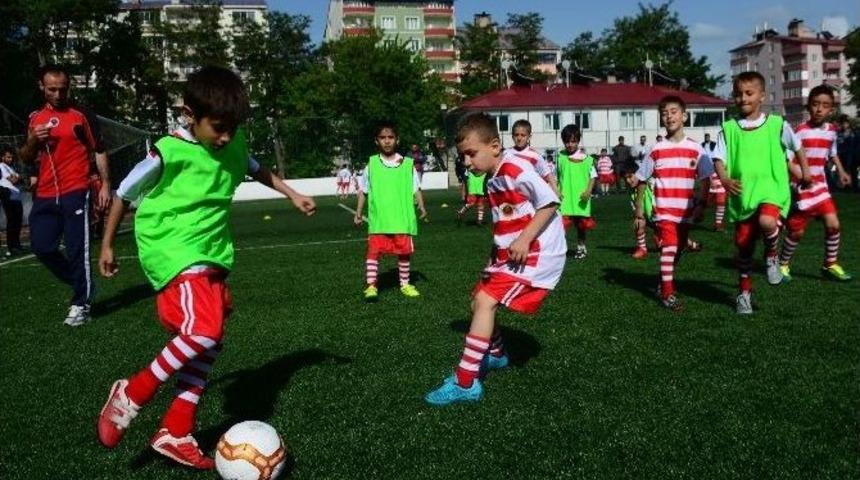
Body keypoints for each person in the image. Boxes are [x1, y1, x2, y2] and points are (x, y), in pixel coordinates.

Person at [95, 66, 316, 470]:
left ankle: (175, 431)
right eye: (218, 127)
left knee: (209, 342)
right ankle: (132, 394)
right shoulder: (168, 150)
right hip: (173, 247)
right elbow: (124, 193)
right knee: (203, 330)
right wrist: (108, 244)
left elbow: (254, 167)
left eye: (232, 127)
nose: (226, 137)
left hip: (212, 250)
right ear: (188, 115)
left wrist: (292, 193)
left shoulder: (232, 142)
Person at [425, 113, 565, 406]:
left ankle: (466, 383)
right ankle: (498, 354)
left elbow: (550, 201)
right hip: (513, 254)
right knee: (478, 300)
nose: (466, 162)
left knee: (487, 301)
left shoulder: (515, 168)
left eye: (471, 154)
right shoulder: (492, 179)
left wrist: (525, 239)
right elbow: (505, 222)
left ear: (495, 146)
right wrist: (495, 256)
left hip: (539, 253)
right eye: (463, 156)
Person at [17, 64, 111, 326]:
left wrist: (105, 184)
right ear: (41, 87)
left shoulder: (81, 114)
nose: (58, 95)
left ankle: (81, 304)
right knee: (42, 246)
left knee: (76, 249)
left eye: (63, 89)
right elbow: (25, 157)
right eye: (52, 90)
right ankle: (85, 284)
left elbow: (100, 149)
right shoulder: (34, 117)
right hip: (45, 193)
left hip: (76, 190)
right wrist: (34, 139)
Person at [711, 71, 811, 314]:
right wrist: (724, 179)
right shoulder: (729, 128)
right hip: (743, 195)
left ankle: (771, 256)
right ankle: (744, 293)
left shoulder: (778, 124)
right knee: (743, 246)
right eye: (737, 94)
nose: (742, 98)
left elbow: (797, 147)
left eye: (748, 93)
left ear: (761, 96)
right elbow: (718, 158)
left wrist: (805, 173)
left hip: (771, 190)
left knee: (768, 221)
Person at [633, 96, 712, 311]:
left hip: (685, 211)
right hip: (664, 210)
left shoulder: (697, 149)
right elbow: (642, 178)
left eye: (673, 111)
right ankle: (668, 293)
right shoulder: (656, 149)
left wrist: (702, 204)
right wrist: (640, 208)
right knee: (669, 247)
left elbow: (706, 178)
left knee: (678, 249)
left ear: (684, 116)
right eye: (664, 113)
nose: (669, 116)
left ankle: (662, 281)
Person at [779, 85, 853, 282]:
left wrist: (842, 172)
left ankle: (830, 264)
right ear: (808, 106)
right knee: (797, 232)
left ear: (832, 109)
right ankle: (783, 264)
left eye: (825, 105)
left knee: (833, 224)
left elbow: (832, 153)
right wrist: (802, 175)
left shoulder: (831, 131)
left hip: (821, 187)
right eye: (815, 104)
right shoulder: (800, 131)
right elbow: (787, 160)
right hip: (802, 188)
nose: (819, 109)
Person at [354, 121, 427, 301]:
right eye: (382, 138)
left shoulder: (408, 164)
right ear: (376, 141)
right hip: (379, 219)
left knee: (403, 252)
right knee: (373, 252)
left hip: (401, 218)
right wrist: (358, 212)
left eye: (390, 137)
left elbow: (415, 188)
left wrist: (422, 206)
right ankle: (371, 286)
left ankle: (405, 284)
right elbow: (364, 191)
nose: (387, 141)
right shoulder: (371, 164)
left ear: (397, 140)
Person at [557, 124, 597, 260]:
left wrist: (588, 191)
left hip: (581, 199)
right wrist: (556, 190)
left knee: (581, 225)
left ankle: (581, 247)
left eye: (573, 141)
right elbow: (556, 176)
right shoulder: (560, 157)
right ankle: (561, 249)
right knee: (560, 226)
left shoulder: (587, 159)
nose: (570, 144)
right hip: (565, 198)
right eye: (567, 141)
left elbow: (593, 176)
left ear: (578, 141)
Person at [503, 119, 560, 196]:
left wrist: (556, 192)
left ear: (529, 137)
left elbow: (547, 174)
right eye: (516, 135)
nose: (519, 138)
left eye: (523, 135)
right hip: (511, 198)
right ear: (512, 136)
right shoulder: (505, 154)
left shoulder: (535, 156)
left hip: (529, 199)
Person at [0, 147, 25, 256]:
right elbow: (14, 179)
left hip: (15, 194)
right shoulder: (1, 166)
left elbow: (19, 178)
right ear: (3, 157)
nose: (10, 159)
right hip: (7, 194)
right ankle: (12, 246)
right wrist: (16, 177)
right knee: (12, 220)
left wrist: (16, 177)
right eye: (8, 157)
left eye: (11, 157)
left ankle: (17, 244)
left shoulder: (11, 168)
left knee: (18, 220)